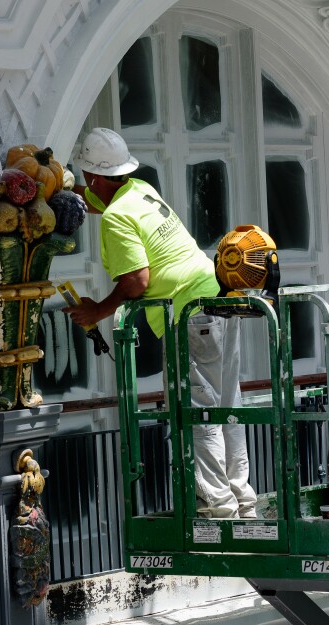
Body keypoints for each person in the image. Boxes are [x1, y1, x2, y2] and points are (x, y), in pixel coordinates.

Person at [63, 128, 256, 519]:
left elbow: (137, 281)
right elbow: (96, 199)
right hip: (218, 298)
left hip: (191, 316)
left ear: (93, 176)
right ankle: (243, 500)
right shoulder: (139, 190)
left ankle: (219, 509)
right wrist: (63, 194)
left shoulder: (117, 217)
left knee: (197, 410)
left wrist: (98, 311)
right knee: (227, 403)